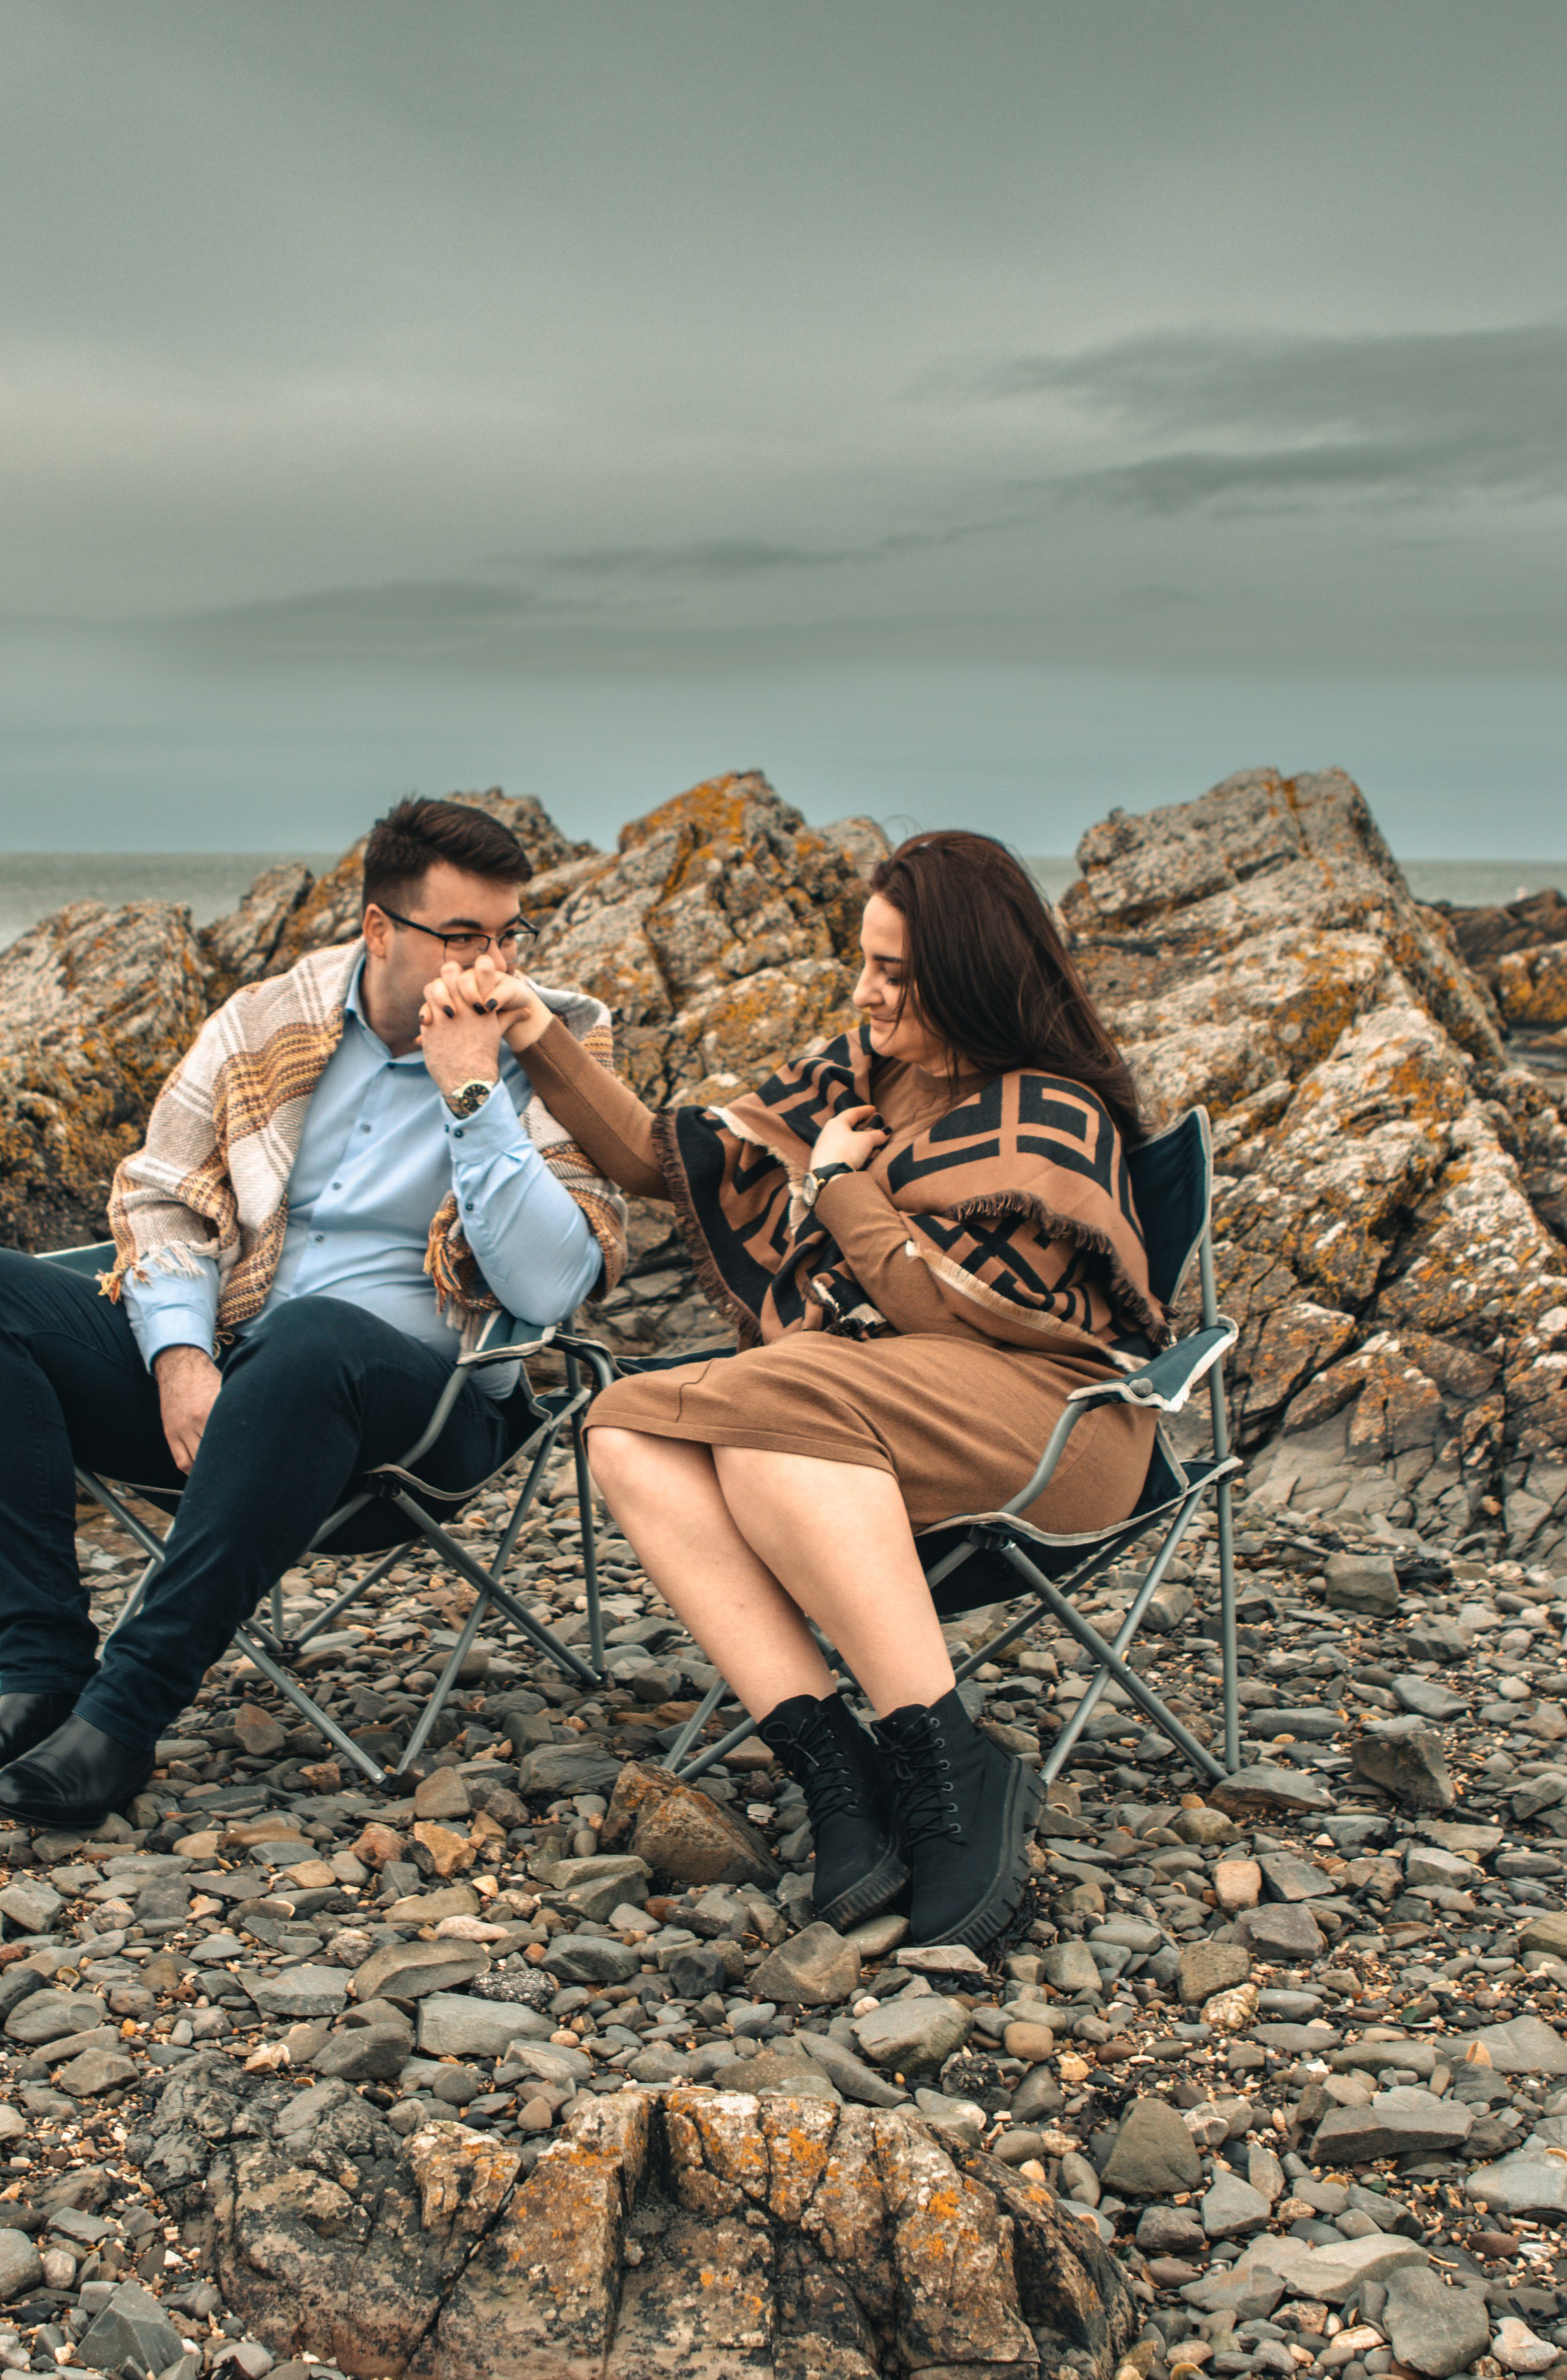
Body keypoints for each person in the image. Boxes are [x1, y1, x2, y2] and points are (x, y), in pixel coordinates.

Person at [427, 830, 1165, 1953]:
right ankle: (839, 1770)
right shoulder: (864, 1074)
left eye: (896, 972)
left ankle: (953, 1766)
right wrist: (531, 1033)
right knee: (625, 1428)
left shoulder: (1053, 1112)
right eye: (863, 960)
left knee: (778, 1403)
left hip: (1053, 1425)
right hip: (870, 1404)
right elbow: (654, 1155)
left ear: (966, 973)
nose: (867, 991)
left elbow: (941, 1311)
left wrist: (836, 1186)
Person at [0, 798, 628, 1831]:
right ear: (380, 930)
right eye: (463, 936)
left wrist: (473, 1097)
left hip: (431, 1416)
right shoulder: (264, 1019)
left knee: (313, 1334)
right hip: (241, 1396)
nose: (494, 965)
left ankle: (124, 1712)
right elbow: (160, 1192)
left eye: (509, 935)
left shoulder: (552, 1044)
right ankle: (42, 1682)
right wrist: (182, 1354)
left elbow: (553, 1286)